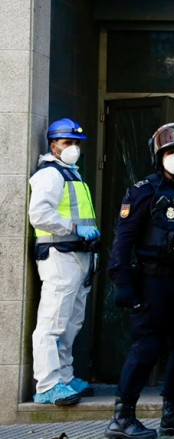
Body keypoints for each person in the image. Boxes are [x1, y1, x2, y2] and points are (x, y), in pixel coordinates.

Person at [105, 123, 174, 438]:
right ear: (159, 157)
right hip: (153, 283)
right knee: (147, 348)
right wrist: (121, 282)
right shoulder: (144, 191)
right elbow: (122, 242)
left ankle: (172, 416)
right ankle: (122, 418)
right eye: (170, 152)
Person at [28, 118, 98, 406]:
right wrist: (73, 228)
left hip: (77, 254)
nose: (73, 148)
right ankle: (47, 385)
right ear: (53, 144)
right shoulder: (50, 175)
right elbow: (40, 215)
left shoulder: (71, 174)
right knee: (52, 323)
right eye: (67, 143)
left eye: (76, 143)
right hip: (59, 254)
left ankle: (65, 379)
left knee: (71, 322)